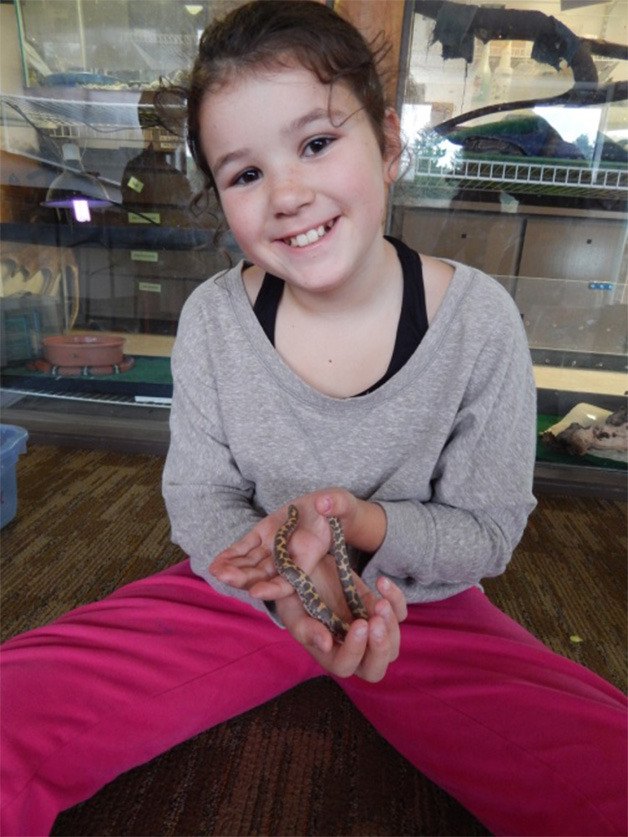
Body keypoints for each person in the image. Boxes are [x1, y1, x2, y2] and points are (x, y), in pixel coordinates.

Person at [1, 2, 626, 834]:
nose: (288, 194)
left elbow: (487, 530)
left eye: (318, 143)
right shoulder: (215, 321)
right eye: (244, 173)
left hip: (423, 608)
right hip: (242, 588)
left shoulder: (480, 323)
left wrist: (358, 530)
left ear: (391, 144)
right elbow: (197, 496)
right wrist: (286, 576)